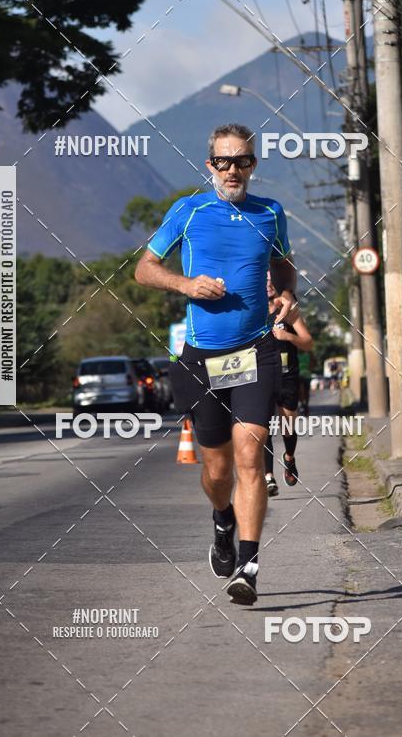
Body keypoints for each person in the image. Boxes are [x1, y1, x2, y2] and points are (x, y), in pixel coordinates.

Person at [134, 123, 295, 605]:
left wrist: (287, 293)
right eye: (223, 162)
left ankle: (248, 566)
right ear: (210, 165)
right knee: (219, 471)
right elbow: (144, 269)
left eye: (241, 161)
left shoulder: (270, 212)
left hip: (255, 350)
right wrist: (185, 285)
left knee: (251, 455)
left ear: (253, 165)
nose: (232, 170)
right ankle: (223, 520)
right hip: (203, 358)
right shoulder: (189, 210)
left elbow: (283, 264)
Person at [264, 275, 314, 497]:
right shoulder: (253, 312)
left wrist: (287, 337)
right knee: (261, 427)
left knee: (287, 426)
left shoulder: (289, 312)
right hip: (262, 376)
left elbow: (308, 343)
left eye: (271, 279)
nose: (268, 283)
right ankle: (268, 476)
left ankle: (289, 457)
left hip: (287, 377)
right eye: (264, 278)